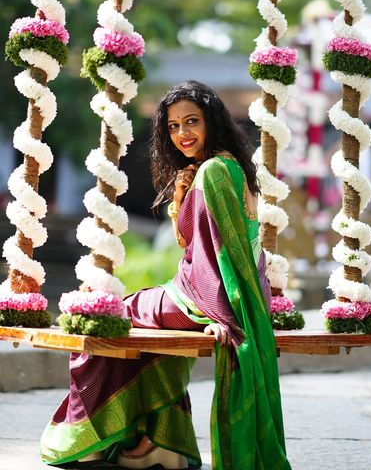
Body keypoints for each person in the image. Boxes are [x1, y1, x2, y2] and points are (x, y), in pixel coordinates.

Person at [41, 81, 292, 469]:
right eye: (173, 126)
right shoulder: (225, 167)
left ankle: (88, 439)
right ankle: (154, 442)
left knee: (111, 320)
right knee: (138, 333)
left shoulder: (214, 171)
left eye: (191, 122)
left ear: (213, 122)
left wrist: (218, 315)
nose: (182, 134)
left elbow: (219, 254)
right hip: (209, 292)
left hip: (203, 295)